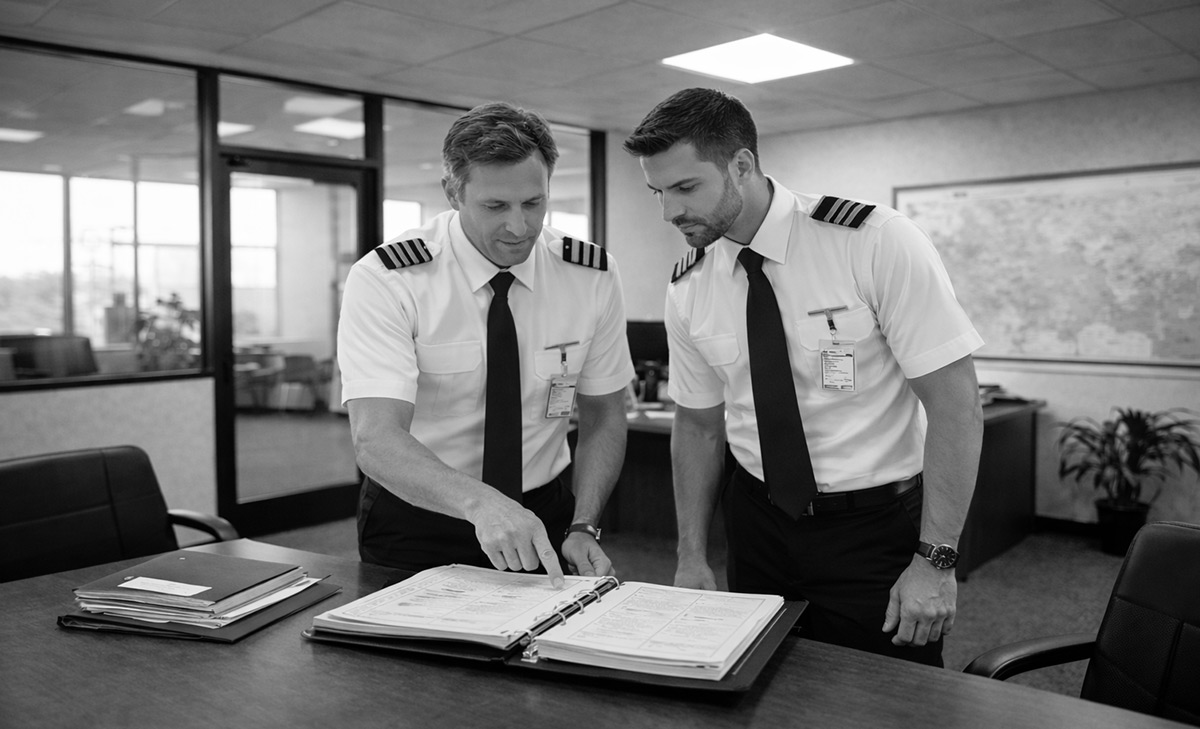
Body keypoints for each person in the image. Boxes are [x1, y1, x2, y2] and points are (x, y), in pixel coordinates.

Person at [623, 88, 984, 666]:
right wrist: (691, 552)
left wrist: (936, 561)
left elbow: (956, 406)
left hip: (874, 529)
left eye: (686, 187)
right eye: (657, 192)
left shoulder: (872, 241)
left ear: (742, 165)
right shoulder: (688, 284)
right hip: (757, 525)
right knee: (760, 688)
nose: (669, 212)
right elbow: (697, 425)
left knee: (891, 700)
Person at [338, 102, 634, 587]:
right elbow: (376, 439)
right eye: (495, 206)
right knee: (413, 661)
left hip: (543, 516)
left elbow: (604, 412)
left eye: (534, 203)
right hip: (418, 517)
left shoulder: (589, 275)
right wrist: (482, 505)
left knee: (544, 654)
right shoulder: (390, 279)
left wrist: (584, 523)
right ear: (453, 193)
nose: (519, 228)